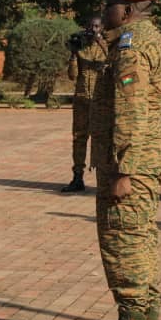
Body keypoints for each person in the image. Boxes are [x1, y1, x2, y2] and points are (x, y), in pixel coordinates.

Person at [83, 0, 161, 320]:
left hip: (130, 165)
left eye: (110, 5)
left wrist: (124, 171)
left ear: (128, 11)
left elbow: (131, 111)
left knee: (124, 244)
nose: (105, 11)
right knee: (141, 241)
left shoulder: (131, 50)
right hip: (143, 161)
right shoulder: (148, 40)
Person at [62, 17, 107, 192]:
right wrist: (73, 54)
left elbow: (112, 61)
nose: (92, 29)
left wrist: (100, 42)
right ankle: (77, 176)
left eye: (96, 26)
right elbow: (72, 75)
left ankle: (102, 178)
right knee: (79, 138)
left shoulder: (107, 45)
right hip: (82, 99)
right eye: (90, 26)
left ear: (102, 27)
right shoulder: (81, 46)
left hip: (100, 100)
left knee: (101, 139)